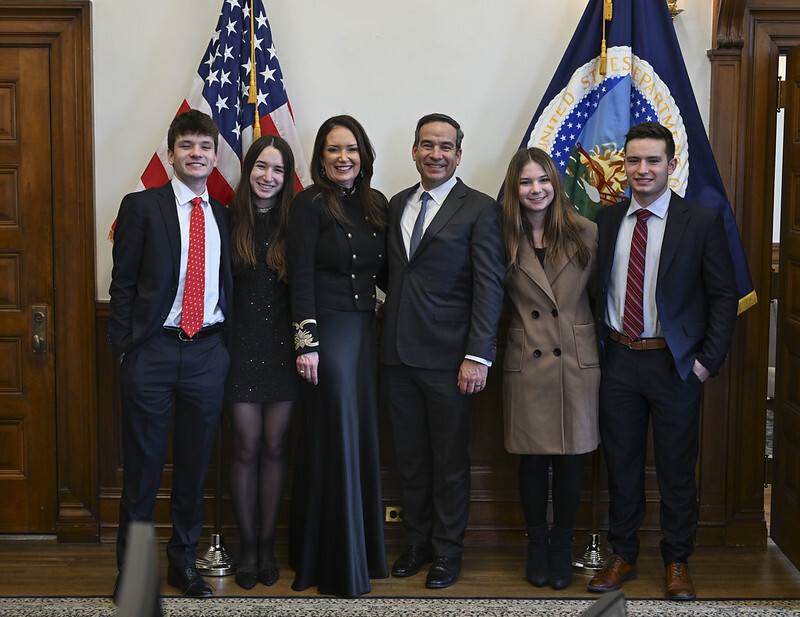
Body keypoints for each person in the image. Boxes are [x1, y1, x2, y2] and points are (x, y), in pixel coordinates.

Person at [588, 122, 738, 600]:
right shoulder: (605, 220)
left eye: (653, 160)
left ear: (671, 166)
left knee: (676, 469)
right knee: (622, 465)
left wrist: (705, 364)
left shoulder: (701, 220)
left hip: (674, 365)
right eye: (633, 160)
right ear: (623, 165)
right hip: (617, 361)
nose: (642, 169)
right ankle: (623, 554)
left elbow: (723, 296)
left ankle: (677, 560)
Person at [109, 110, 232, 599]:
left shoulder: (224, 213)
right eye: (187, 145)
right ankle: (135, 575)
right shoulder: (142, 207)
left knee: (194, 469)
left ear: (215, 155)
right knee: (142, 472)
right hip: (152, 354)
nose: (196, 153)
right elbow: (121, 286)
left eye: (205, 146)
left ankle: (184, 564)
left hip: (207, 354)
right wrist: (125, 350)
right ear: (172, 152)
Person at [380, 113, 505, 589]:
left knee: (449, 463)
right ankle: (417, 544)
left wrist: (478, 355)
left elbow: (489, 287)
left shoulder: (479, 208)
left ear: (459, 154)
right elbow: (392, 275)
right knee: (409, 460)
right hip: (395, 357)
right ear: (414, 151)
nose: (436, 154)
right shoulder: (395, 205)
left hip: (452, 362)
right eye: (427, 145)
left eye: (446, 146)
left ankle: (449, 553)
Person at [286, 115, 389, 598]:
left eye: (351, 149)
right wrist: (306, 343)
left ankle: (362, 551)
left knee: (358, 437)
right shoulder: (307, 205)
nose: (343, 157)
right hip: (325, 336)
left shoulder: (377, 205)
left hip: (364, 335)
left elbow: (387, 271)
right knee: (336, 438)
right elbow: (300, 276)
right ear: (321, 159)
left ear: (363, 155)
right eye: (333, 150)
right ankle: (335, 561)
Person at [501, 147, 600, 591]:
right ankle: (536, 544)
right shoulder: (501, 236)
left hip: (575, 361)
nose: (535, 189)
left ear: (555, 184)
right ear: (514, 188)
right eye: (525, 182)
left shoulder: (588, 233)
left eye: (542, 180)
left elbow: (606, 297)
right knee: (533, 458)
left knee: (572, 457)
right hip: (528, 359)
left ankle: (563, 545)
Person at [224, 135, 298, 590]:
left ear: (288, 178)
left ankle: (268, 544)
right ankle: (246, 544)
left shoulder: (298, 223)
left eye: (278, 170)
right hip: (236, 351)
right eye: (261, 167)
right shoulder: (227, 219)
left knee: (274, 447)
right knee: (246, 446)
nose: (268, 177)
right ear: (248, 169)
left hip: (284, 352)